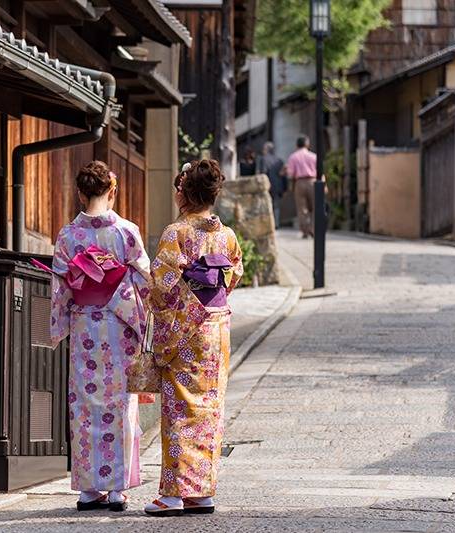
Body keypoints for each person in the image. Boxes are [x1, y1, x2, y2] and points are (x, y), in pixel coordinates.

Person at [144, 159, 244, 517]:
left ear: (184, 193)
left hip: (185, 330)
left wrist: (157, 296)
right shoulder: (227, 235)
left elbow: (161, 285)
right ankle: (202, 492)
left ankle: (173, 494)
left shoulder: (177, 233)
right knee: (209, 409)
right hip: (216, 328)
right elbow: (232, 276)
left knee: (179, 409)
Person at [50, 161, 150, 513]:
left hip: (84, 329)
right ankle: (118, 489)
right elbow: (143, 279)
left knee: (85, 406)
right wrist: (124, 300)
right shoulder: (126, 232)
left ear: (80, 193)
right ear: (112, 191)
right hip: (118, 327)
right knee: (120, 405)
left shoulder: (68, 236)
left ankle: (89, 490)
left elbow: (61, 287)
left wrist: (59, 325)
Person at [286, 134, 318, 238]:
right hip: (313, 181)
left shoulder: (293, 157)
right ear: (307, 144)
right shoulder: (314, 156)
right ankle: (313, 229)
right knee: (315, 207)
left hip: (299, 182)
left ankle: (305, 231)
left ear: (297, 145)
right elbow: (320, 171)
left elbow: (290, 174)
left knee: (302, 208)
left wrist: (291, 187)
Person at [258, 142, 285, 228]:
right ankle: (276, 224)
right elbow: (283, 175)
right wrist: (285, 188)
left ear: (267, 150)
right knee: (276, 205)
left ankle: (268, 225)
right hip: (277, 186)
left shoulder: (263, 159)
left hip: (267, 185)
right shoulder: (279, 160)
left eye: (264, 149)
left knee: (265, 205)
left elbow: (262, 172)